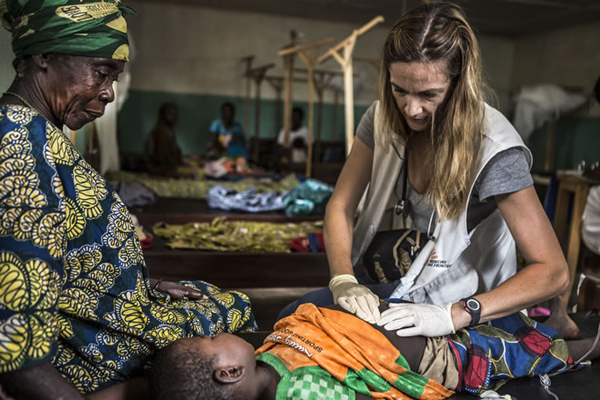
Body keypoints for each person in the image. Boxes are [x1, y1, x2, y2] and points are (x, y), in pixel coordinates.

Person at [0, 1, 256, 399]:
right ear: (43, 57)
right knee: (236, 314)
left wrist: (140, 283)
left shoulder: (36, 132)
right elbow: (17, 343)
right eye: (101, 73)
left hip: (106, 314)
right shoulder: (20, 146)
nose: (109, 93)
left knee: (218, 302)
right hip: (93, 352)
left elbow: (54, 257)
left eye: (113, 77)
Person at [280, 1, 573, 340]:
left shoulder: (494, 148)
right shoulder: (380, 119)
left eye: (429, 94)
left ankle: (552, 325)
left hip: (462, 298)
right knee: (295, 317)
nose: (412, 108)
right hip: (401, 279)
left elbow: (553, 272)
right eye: (399, 89)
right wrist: (343, 279)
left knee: (353, 344)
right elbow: (341, 205)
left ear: (459, 84)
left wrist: (457, 314)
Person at [149, 303, 600, 400]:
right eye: (210, 342)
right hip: (445, 364)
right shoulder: (303, 392)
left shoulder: (267, 357)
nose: (217, 334)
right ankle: (585, 345)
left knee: (495, 326)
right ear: (228, 373)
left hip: (424, 332)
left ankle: (552, 323)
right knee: (515, 356)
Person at [144, 102, 182, 176]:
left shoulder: (169, 132)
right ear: (162, 115)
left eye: (175, 114)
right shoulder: (159, 132)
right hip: (159, 170)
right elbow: (159, 157)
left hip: (168, 168)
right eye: (170, 114)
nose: (174, 117)